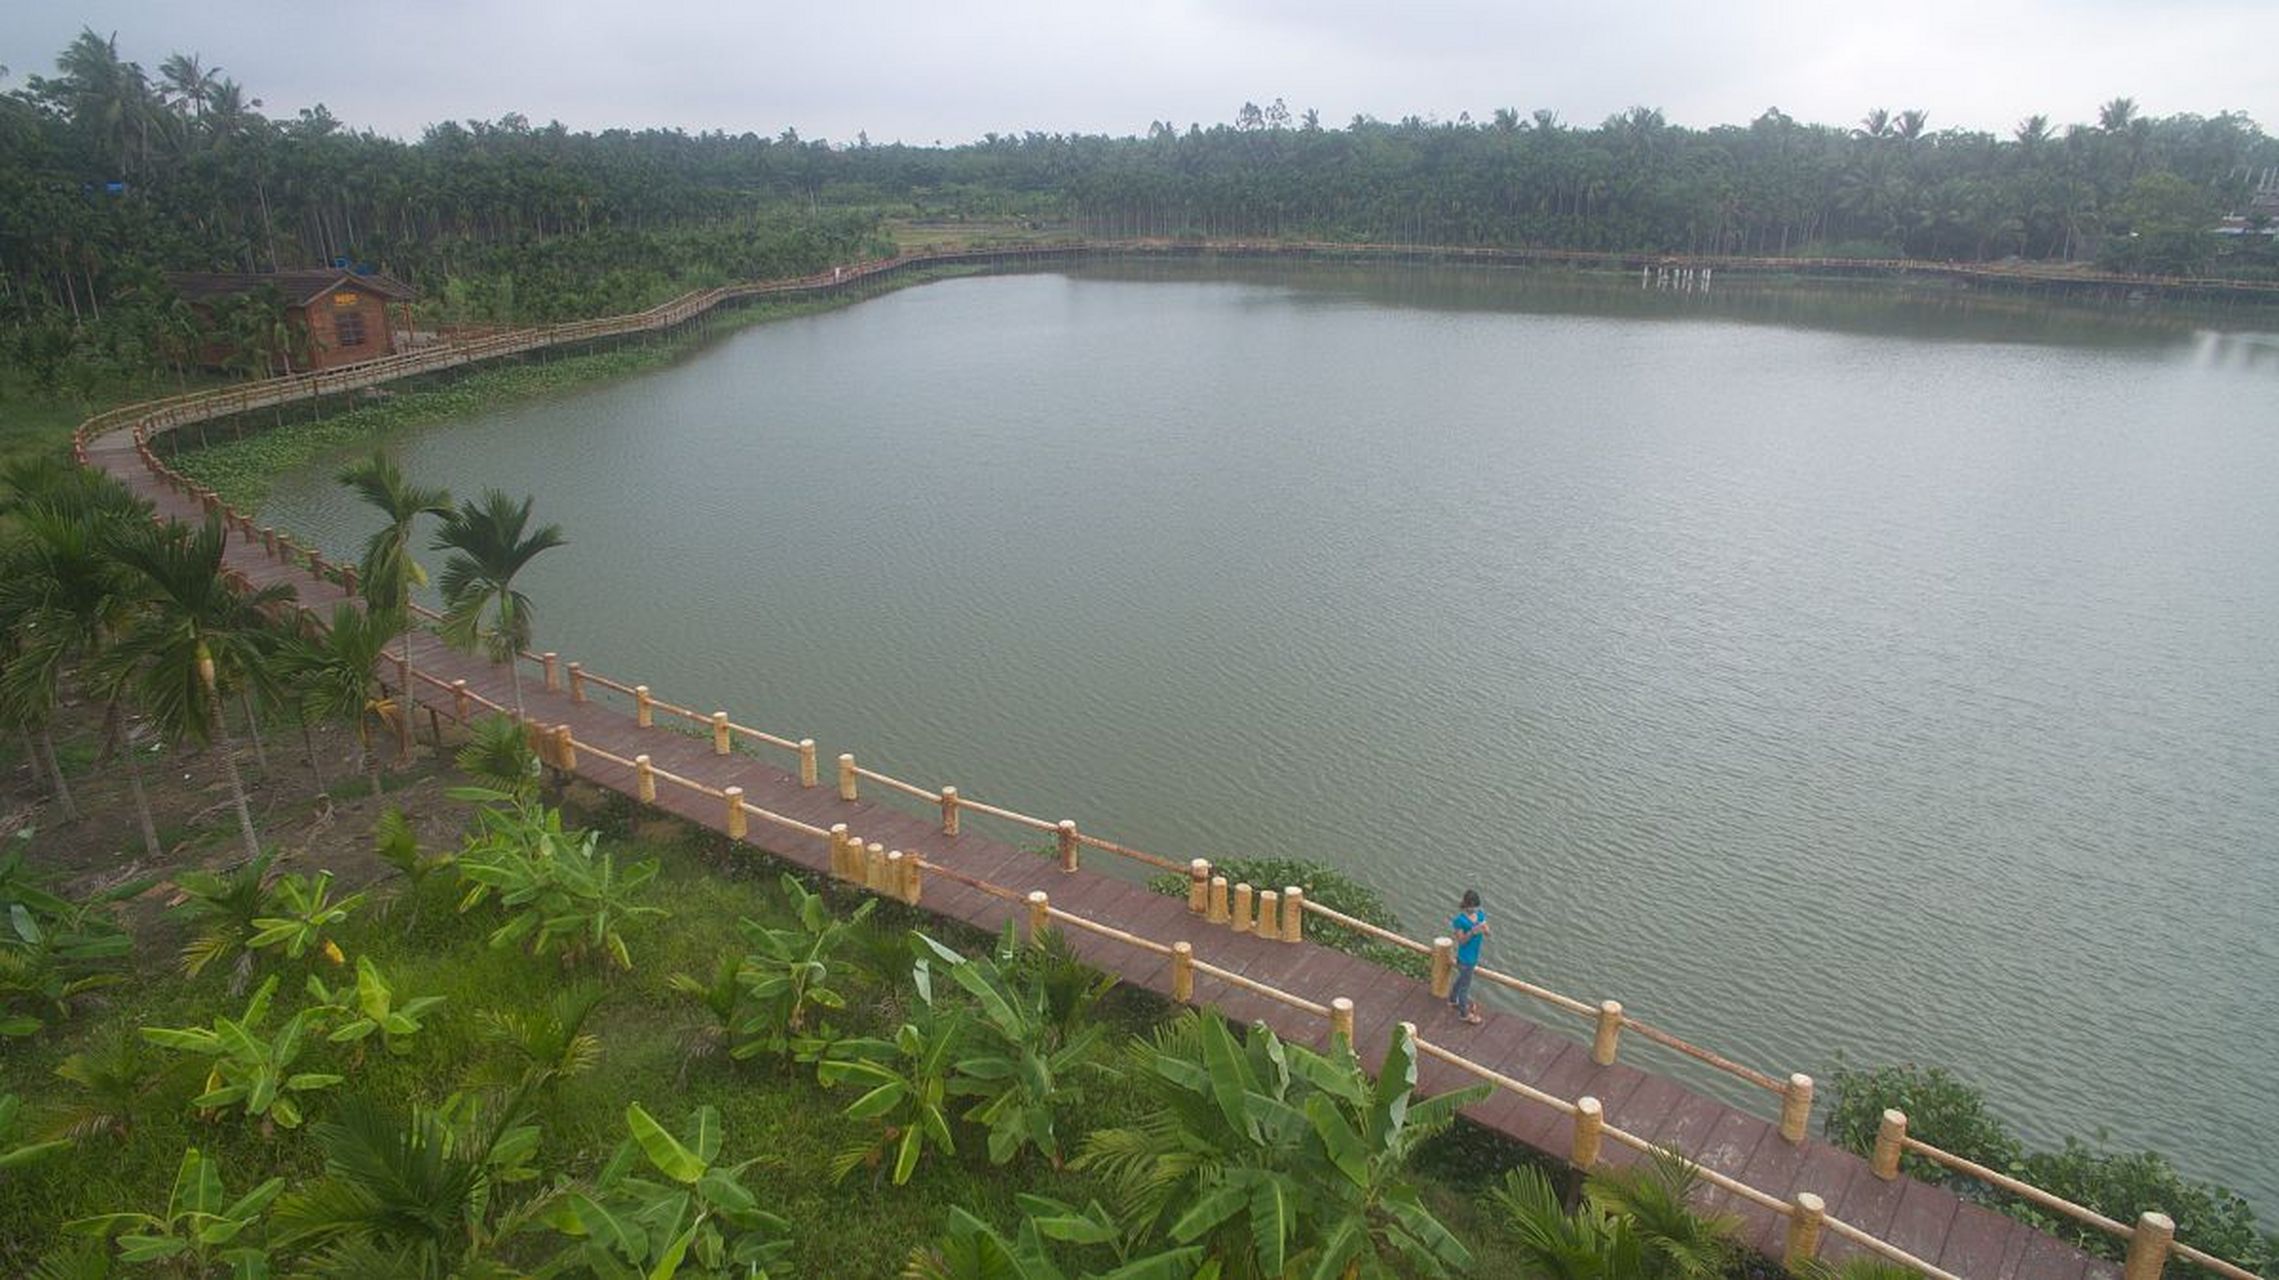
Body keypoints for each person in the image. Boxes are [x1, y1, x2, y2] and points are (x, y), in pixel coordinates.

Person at [1449, 889, 1489, 1025]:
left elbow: (1488, 932)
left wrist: (1484, 929)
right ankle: (1464, 1013)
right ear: (1465, 905)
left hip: (1473, 957)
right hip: (1465, 958)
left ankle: (1452, 999)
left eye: (1475, 906)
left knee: (1461, 981)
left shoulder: (1481, 915)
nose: (1473, 909)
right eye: (1471, 906)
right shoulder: (1459, 921)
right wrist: (1472, 931)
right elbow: (1461, 941)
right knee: (1465, 987)